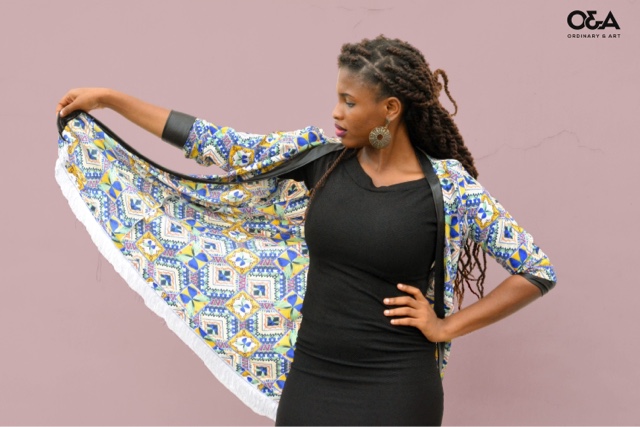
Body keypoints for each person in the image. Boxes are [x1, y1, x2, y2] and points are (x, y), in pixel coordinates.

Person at [56, 35, 556, 426]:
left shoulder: (447, 188)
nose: (336, 112)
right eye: (337, 98)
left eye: (350, 102)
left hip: (398, 387)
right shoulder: (321, 160)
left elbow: (535, 269)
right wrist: (110, 99)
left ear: (390, 109)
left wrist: (446, 327)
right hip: (313, 377)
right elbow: (218, 144)